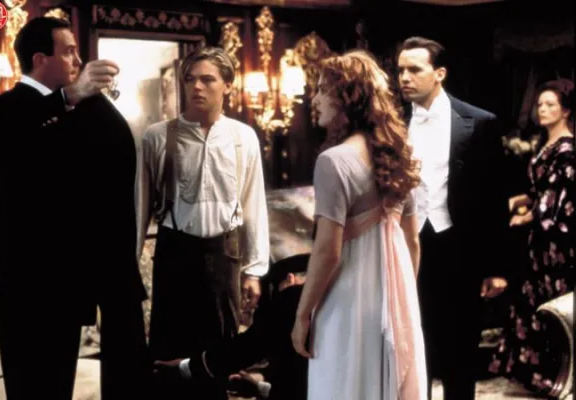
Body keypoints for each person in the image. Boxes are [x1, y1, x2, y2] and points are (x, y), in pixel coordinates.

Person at [0, 17, 150, 400]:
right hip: (24, 282)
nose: (78, 59)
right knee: (30, 392)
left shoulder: (86, 109)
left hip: (70, 282)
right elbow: (1, 143)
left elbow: (117, 167)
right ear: (41, 59)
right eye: (68, 51)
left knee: (57, 389)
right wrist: (69, 96)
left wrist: (93, 95)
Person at [290, 49, 427, 400]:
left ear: (346, 99)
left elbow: (328, 251)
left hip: (348, 297)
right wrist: (402, 300)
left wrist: (303, 314)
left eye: (322, 90)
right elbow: (412, 242)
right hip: (396, 296)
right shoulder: (401, 155)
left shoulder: (334, 161)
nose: (314, 99)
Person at [137, 46, 270, 400]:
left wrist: (254, 271)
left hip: (223, 254)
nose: (196, 86)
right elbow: (140, 208)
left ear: (227, 85)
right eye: (190, 79)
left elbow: (253, 205)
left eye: (207, 79)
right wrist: (130, 267)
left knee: (219, 355)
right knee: (168, 355)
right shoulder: (157, 136)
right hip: (175, 252)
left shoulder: (243, 137)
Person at [396, 36, 508, 400]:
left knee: (460, 350)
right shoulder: (392, 123)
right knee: (413, 347)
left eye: (414, 69)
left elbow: (494, 198)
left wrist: (495, 267)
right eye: (400, 70)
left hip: (460, 249)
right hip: (406, 247)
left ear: (439, 73)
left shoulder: (479, 122)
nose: (405, 77)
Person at [489, 79, 575, 394]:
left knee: (551, 300)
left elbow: (558, 199)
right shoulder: (545, 145)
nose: (542, 109)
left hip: (555, 242)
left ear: (566, 111)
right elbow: (539, 189)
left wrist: (527, 215)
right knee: (533, 298)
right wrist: (519, 201)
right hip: (538, 241)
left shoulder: (567, 150)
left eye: (550, 104)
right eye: (540, 104)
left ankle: (554, 373)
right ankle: (538, 372)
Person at [154, 253, 310, 400]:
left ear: (289, 280)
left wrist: (186, 367)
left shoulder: (293, 299)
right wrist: (260, 388)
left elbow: (245, 348)